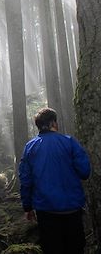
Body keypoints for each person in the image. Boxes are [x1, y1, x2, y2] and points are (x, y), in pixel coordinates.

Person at [19, 108, 91, 254]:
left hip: (46, 210)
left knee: (52, 248)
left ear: (38, 125)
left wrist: (27, 207)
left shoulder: (30, 147)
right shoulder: (69, 142)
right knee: (75, 248)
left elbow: (25, 179)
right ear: (53, 122)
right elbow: (85, 172)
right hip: (72, 208)